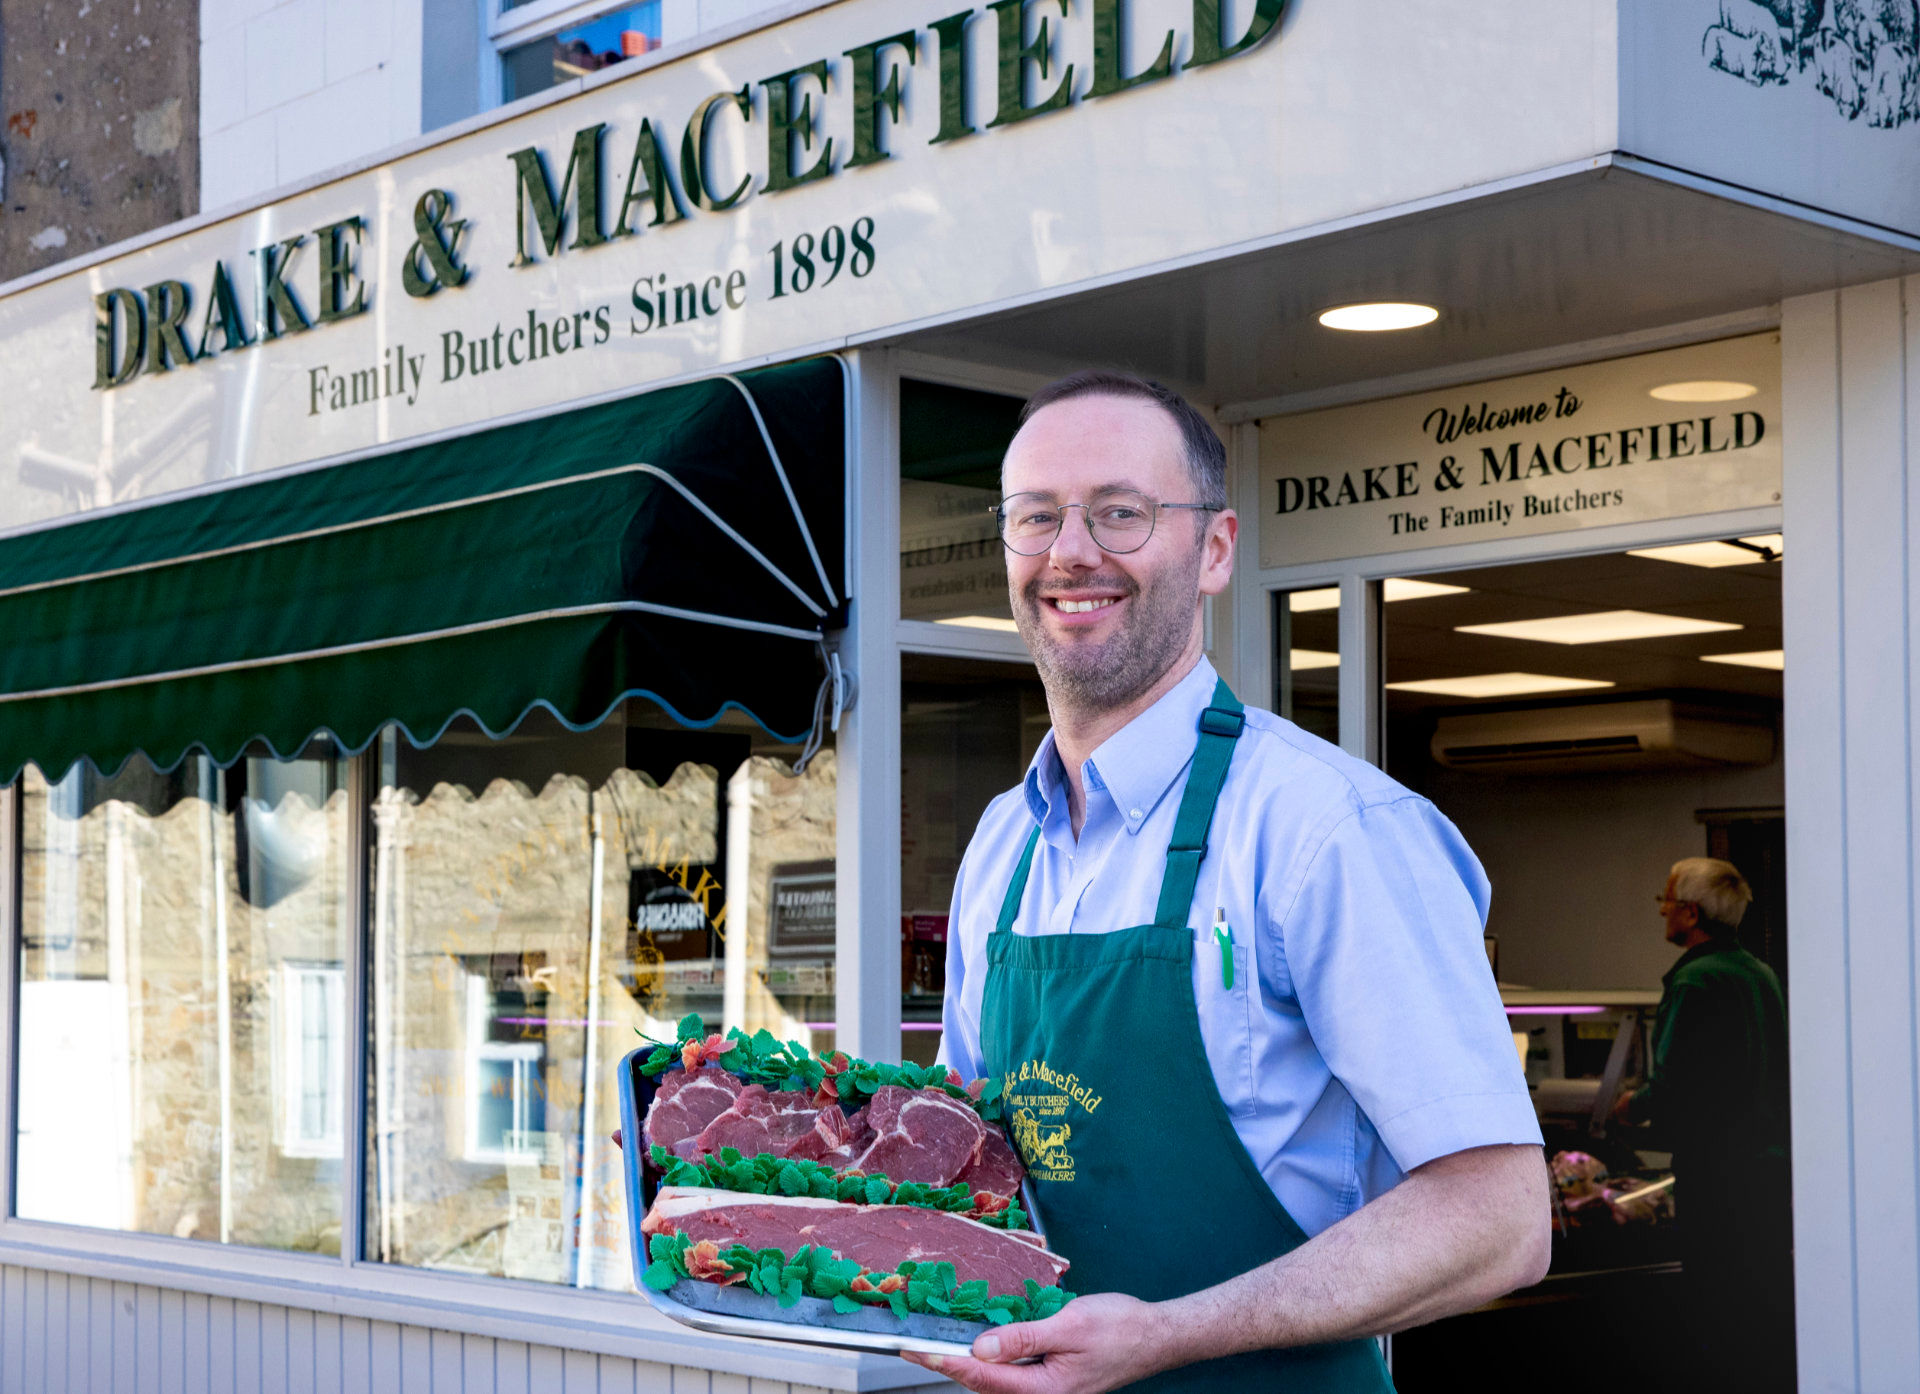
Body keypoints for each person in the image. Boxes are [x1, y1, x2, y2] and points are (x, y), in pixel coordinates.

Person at [907, 371, 1549, 1394]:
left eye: (1120, 512)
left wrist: (1167, 1333)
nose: (1072, 552)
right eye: (1036, 517)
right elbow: (972, 1158)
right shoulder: (1001, 844)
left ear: (1213, 549)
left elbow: (1501, 1219)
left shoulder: (1326, 828)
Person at [1612, 857, 1792, 1389]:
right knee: (1761, 1305)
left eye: (1666, 901)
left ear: (1689, 914)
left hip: (1715, 1173)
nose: (1663, 911)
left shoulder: (1694, 980)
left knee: (1715, 1304)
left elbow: (1670, 1083)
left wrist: (1627, 1106)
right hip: (1768, 1171)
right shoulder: (1760, 973)